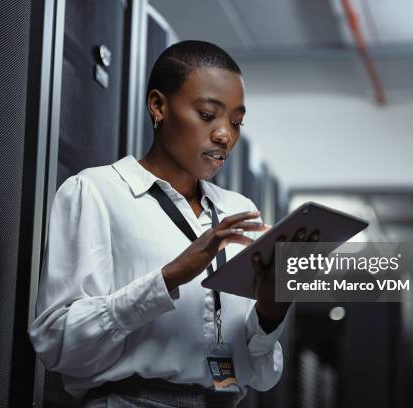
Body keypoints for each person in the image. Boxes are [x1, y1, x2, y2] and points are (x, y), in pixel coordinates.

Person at [29, 40, 312, 408]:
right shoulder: (97, 192)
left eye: (236, 122)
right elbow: (57, 343)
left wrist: (271, 311)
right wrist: (168, 278)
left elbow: (261, 372)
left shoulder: (240, 211)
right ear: (159, 106)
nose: (225, 135)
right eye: (209, 115)